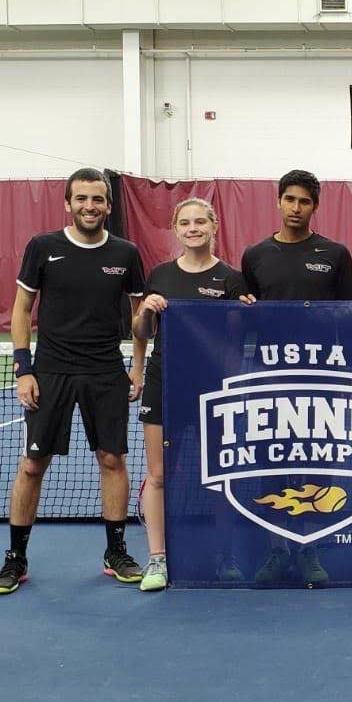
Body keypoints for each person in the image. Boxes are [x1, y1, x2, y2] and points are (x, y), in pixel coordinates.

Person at [0, 167, 147, 595]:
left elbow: (139, 319)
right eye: (81, 199)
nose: (89, 207)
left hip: (105, 373)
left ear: (109, 207)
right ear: (68, 203)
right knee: (31, 465)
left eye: (97, 200)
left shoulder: (126, 253)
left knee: (112, 460)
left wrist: (137, 367)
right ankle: (15, 559)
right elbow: (21, 310)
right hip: (51, 372)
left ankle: (116, 552)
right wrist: (23, 369)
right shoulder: (43, 248)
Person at [240, 169, 352, 586]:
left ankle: (311, 548)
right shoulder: (254, 255)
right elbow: (242, 316)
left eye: (304, 201)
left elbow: (349, 314)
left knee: (317, 461)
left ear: (315, 206)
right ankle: (276, 549)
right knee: (272, 461)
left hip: (322, 376)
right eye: (289, 199)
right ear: (278, 202)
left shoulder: (335, 253)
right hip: (271, 376)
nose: (296, 207)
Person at [131, 197, 249, 592]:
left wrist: (248, 313)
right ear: (176, 229)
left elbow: (238, 339)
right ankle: (157, 560)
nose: (193, 228)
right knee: (159, 474)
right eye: (185, 222)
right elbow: (142, 332)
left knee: (220, 476)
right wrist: (147, 309)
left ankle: (226, 556)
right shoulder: (160, 275)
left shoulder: (232, 279)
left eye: (201, 221)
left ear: (214, 226)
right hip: (164, 382)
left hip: (214, 386)